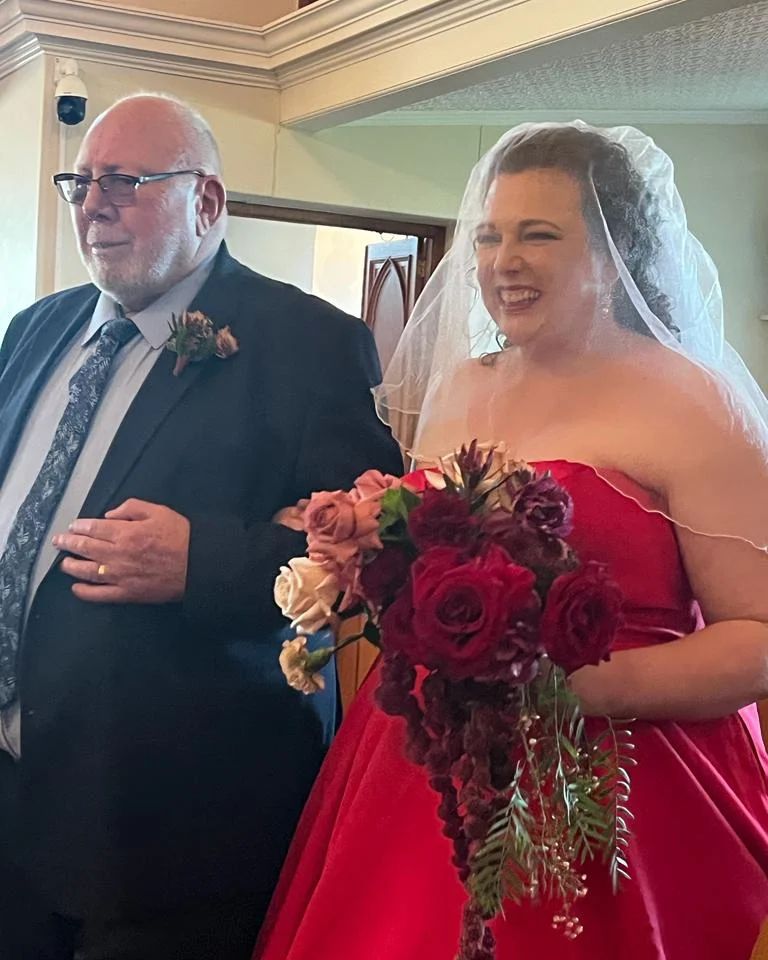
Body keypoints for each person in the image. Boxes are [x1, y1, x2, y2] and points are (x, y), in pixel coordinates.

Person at [254, 122, 768, 960]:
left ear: (613, 256)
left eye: (539, 235)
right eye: (490, 237)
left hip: (616, 777)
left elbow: (758, 637)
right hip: (428, 763)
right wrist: (370, 561)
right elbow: (426, 549)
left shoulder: (694, 406)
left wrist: (586, 689)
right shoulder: (462, 388)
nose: (503, 262)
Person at [0, 93, 402, 959]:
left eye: (124, 182)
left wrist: (205, 561)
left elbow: (378, 550)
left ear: (206, 201)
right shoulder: (35, 330)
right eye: (81, 182)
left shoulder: (308, 344)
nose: (92, 205)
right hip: (14, 802)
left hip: (168, 833)